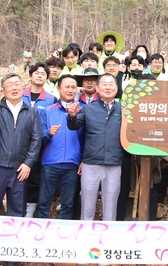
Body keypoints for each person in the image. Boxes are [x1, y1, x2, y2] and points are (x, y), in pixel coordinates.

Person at [0, 73, 42, 217]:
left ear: (23, 87)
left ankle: (14, 238)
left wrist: (28, 163)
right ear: (3, 90)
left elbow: (36, 139)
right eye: (9, 85)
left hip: (19, 168)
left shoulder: (31, 112)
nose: (14, 88)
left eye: (17, 84)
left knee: (17, 209)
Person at [67, 73, 124, 226]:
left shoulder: (123, 109)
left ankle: (108, 241)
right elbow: (74, 125)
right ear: (97, 88)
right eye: (104, 84)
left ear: (117, 88)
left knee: (110, 209)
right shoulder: (88, 109)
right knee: (87, 207)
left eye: (111, 84)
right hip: (91, 164)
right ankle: (86, 239)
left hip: (114, 163)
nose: (108, 87)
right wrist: (72, 115)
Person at [35, 75, 83, 220]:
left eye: (73, 87)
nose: (70, 90)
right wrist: (48, 133)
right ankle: (40, 233)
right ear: (59, 89)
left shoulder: (83, 111)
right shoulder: (48, 110)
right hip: (51, 162)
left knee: (68, 204)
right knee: (44, 202)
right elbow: (39, 135)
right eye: (67, 87)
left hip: (72, 164)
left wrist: (83, 160)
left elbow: (87, 138)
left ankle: (64, 235)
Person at [22, 63, 56, 217]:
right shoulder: (19, 95)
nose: (40, 75)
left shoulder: (51, 99)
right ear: (30, 75)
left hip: (40, 144)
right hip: (18, 144)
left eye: (43, 73)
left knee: (35, 178)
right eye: (36, 73)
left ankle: (30, 213)